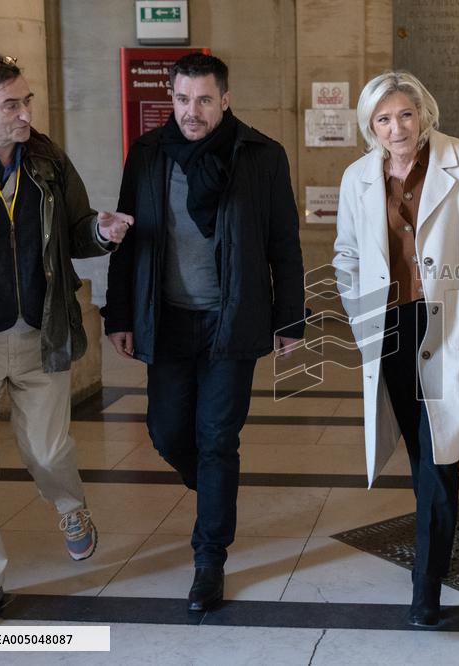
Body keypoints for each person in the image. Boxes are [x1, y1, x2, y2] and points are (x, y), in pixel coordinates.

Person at [103, 53, 305, 611]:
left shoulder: (261, 156)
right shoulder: (148, 154)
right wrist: (118, 314)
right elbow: (128, 236)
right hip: (167, 318)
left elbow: (283, 244)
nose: (191, 112)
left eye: (204, 100)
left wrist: (291, 318)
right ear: (171, 98)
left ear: (226, 99)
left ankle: (208, 559)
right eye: (182, 99)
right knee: (168, 434)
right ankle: (215, 494)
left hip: (231, 319)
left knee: (217, 439)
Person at [334, 71, 459, 627]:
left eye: (405, 115)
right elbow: (345, 254)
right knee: (422, 451)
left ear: (423, 114)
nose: (397, 128)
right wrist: (357, 311)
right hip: (389, 326)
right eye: (384, 119)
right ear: (371, 126)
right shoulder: (357, 177)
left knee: (440, 452)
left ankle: (427, 585)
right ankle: (432, 545)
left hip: (450, 322)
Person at [0, 52, 131, 626]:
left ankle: (71, 508)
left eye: (26, 101)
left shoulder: (47, 160)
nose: (25, 113)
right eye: (10, 105)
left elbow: (78, 229)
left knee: (47, 450)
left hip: (39, 332)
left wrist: (101, 233)